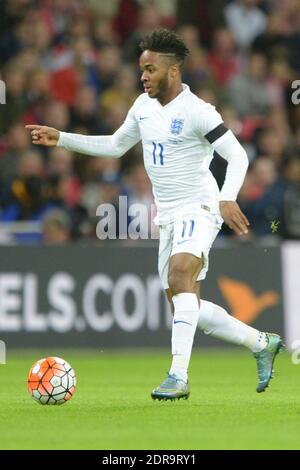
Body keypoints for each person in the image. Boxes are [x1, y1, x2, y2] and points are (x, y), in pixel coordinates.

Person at [26, 29, 284, 401]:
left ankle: (177, 377)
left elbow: (238, 155)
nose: (143, 76)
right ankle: (261, 342)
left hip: (201, 205)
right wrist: (62, 137)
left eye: (150, 69)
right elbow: (116, 146)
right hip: (168, 215)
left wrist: (228, 197)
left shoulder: (198, 111)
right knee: (184, 301)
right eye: (141, 70)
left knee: (181, 276)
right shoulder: (142, 107)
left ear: (173, 71)